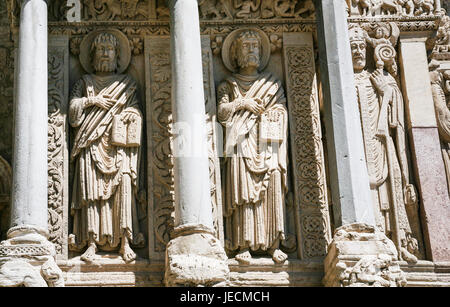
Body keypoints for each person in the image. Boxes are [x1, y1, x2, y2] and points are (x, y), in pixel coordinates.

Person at [69, 32, 144, 263]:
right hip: (90, 144)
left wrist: (128, 115)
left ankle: (124, 241)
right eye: (100, 50)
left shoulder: (127, 84)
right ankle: (90, 242)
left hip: (118, 145)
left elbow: (136, 111)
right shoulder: (84, 83)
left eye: (108, 50)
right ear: (92, 56)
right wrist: (91, 101)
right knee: (90, 193)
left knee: (123, 187)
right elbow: (72, 113)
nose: (104, 53)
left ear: (116, 55)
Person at [217, 30, 289, 264]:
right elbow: (221, 113)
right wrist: (242, 103)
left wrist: (273, 114)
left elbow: (281, 110)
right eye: (246, 47)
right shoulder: (229, 84)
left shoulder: (272, 84)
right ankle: (243, 243)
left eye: (255, 47)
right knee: (242, 191)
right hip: (240, 142)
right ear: (236, 55)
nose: (252, 51)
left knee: (273, 184)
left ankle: (274, 243)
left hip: (267, 142)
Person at [349, 25, 419, 262]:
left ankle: (395, 240)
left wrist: (384, 91)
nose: (358, 52)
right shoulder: (341, 81)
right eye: (352, 48)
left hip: (379, 142)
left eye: (361, 47)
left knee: (387, 189)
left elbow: (395, 107)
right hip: (354, 144)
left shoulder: (377, 77)